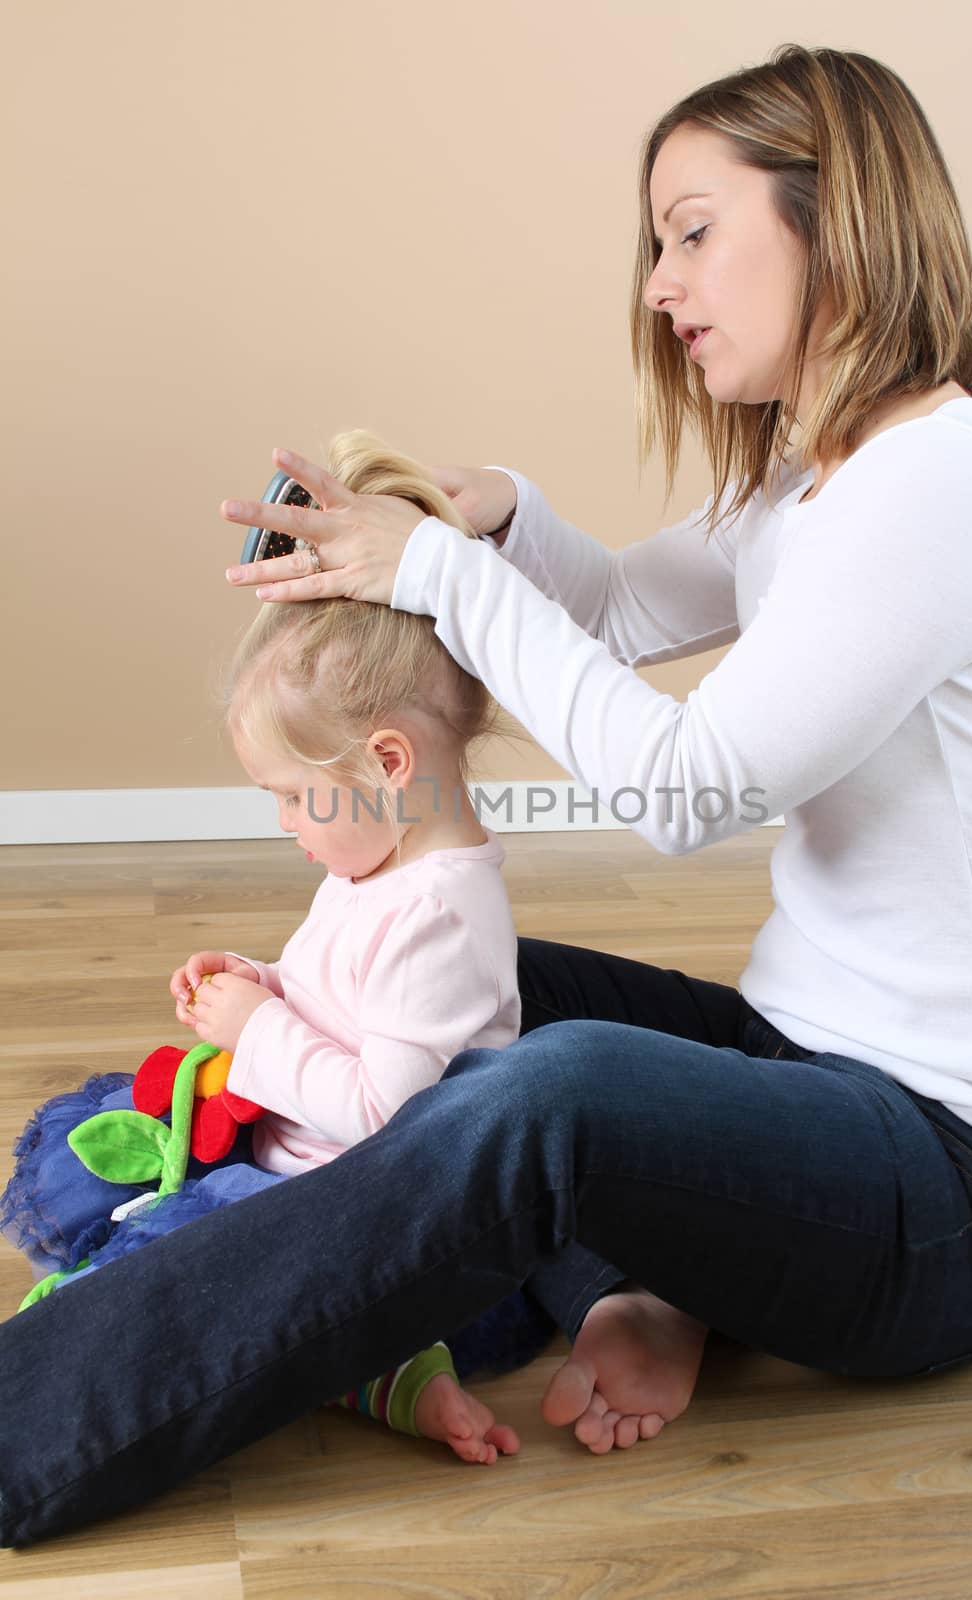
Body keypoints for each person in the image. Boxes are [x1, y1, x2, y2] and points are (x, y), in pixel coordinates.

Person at [3, 41, 972, 1548]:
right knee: (460, 985)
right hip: (802, 1064)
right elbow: (621, 612)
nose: (656, 281)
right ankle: (651, 1279)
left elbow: (684, 789)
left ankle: (32, 1421)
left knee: (545, 1099)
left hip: (956, 1198)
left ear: (836, 219)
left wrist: (432, 570)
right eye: (655, 242)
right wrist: (491, 512)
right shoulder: (810, 479)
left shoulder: (950, 479)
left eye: (691, 229)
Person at [0, 428, 559, 1467]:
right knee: (110, 1141)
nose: (288, 826)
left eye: (296, 798)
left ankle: (382, 1362)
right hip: (293, 1156)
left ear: (387, 762)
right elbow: (326, 995)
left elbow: (389, 1115)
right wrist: (259, 986)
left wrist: (256, 1031)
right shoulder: (371, 863)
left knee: (181, 1268)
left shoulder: (437, 915)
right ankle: (344, 1355)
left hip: (370, 1217)